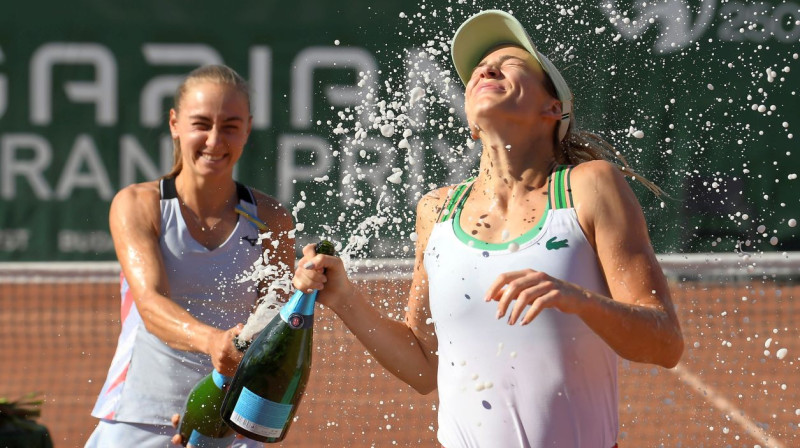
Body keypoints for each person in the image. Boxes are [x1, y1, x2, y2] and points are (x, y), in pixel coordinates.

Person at [292, 10, 684, 448]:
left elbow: (664, 342)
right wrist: (345, 299)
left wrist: (578, 300)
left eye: (512, 63)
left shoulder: (590, 185)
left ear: (553, 108)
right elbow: (424, 366)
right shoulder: (436, 210)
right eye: (479, 68)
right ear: (471, 125)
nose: (486, 68)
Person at [86, 64, 295, 447]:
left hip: (230, 423)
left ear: (247, 128)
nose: (215, 140)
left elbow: (272, 329)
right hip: (139, 415)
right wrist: (214, 342)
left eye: (231, 125)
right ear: (174, 124)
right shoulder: (138, 205)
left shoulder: (273, 220)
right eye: (202, 123)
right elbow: (150, 305)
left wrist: (305, 293)